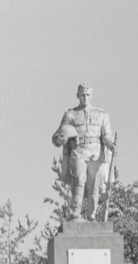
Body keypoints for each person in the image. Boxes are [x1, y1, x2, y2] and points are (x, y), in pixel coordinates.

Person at [51, 84, 117, 221]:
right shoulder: (70, 114)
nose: (85, 97)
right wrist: (60, 140)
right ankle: (76, 212)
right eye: (82, 95)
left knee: (94, 185)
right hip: (79, 151)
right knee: (79, 181)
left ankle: (92, 215)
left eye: (87, 94)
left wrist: (111, 146)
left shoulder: (102, 114)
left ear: (92, 95)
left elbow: (106, 136)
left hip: (96, 153)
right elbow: (56, 136)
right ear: (77, 96)